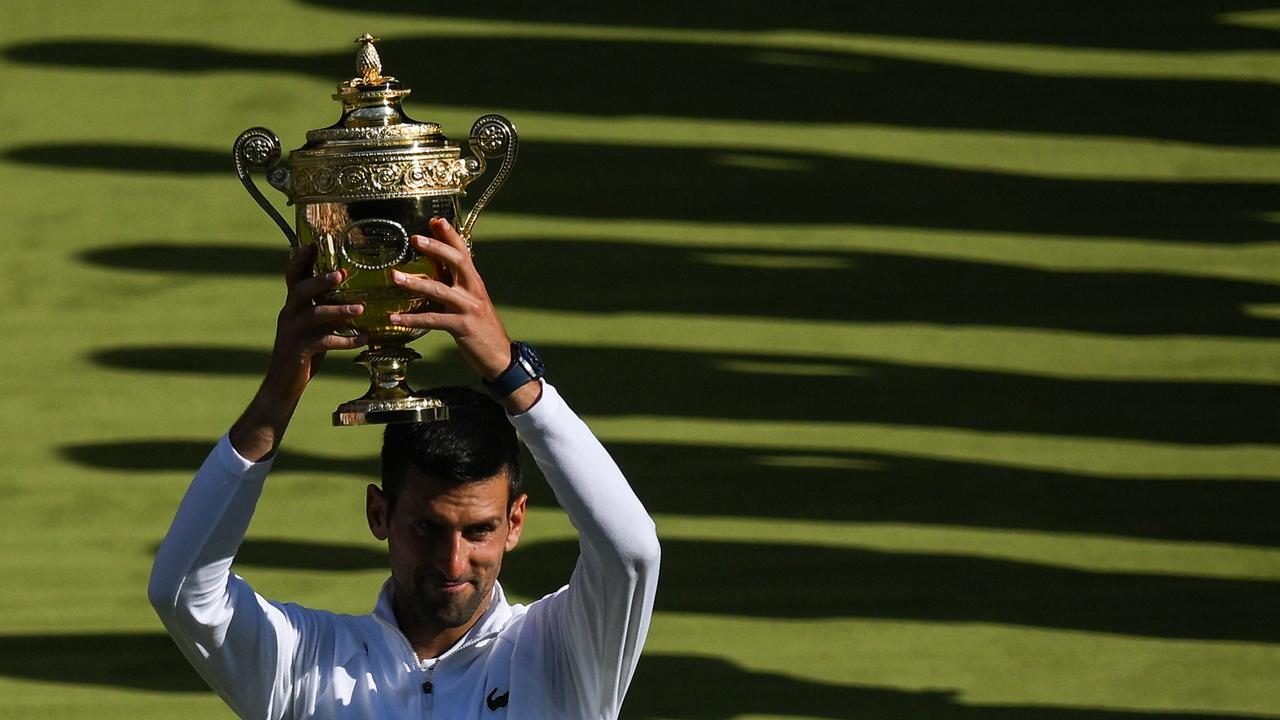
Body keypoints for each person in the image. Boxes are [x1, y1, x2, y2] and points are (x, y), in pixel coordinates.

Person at [148, 217, 661, 719]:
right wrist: (278, 395)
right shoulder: (304, 661)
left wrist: (515, 377)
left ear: (516, 522)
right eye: (428, 528)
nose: (453, 562)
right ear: (379, 513)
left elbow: (632, 552)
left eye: (479, 530)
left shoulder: (563, 653)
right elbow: (182, 594)